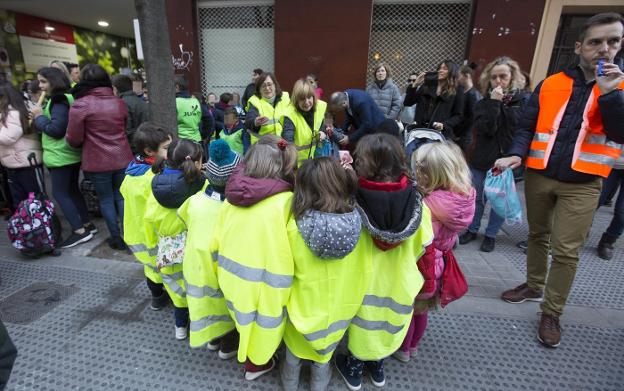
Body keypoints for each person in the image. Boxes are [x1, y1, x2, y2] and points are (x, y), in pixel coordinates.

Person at [495, 12, 624, 348]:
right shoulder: (551, 83)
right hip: (540, 175)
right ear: (580, 46)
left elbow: (620, 132)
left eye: (613, 41)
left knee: (566, 251)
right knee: (538, 235)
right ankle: (534, 285)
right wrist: (515, 154)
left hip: (584, 182)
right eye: (596, 42)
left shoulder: (620, 86)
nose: (604, 49)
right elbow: (527, 127)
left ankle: (552, 311)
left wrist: (610, 94)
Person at [335, 133, 433, 390]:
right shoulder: (418, 205)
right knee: (384, 324)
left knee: (361, 323)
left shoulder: (352, 201)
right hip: (399, 284)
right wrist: (428, 287)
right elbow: (426, 248)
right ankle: (377, 366)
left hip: (361, 282)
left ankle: (354, 368)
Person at [209, 135, 297, 381]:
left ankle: (239, 348)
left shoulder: (230, 199)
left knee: (243, 318)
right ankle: (257, 364)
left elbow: (215, 240)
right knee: (266, 326)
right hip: (270, 281)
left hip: (232, 276)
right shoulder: (286, 202)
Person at [280, 157, 373, 391]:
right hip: (338, 310)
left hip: (301, 306)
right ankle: (319, 383)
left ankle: (289, 380)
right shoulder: (359, 229)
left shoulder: (293, 228)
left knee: (293, 348)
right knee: (324, 354)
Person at [394, 142, 475, 363]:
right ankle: (413, 346)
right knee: (422, 310)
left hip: (423, 266)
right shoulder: (463, 198)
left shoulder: (428, 206)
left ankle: (402, 348)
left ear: (431, 175)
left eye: (420, 171)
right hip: (442, 264)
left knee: (408, 310)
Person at [459, 56, 529, 253]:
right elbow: (487, 129)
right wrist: (495, 104)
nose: (498, 81)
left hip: (505, 162)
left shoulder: (523, 102)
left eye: (503, 77)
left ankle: (490, 235)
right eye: (494, 77)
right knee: (478, 199)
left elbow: (520, 131)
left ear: (512, 77)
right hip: (481, 159)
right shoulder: (483, 103)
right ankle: (472, 229)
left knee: (499, 202)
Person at [177, 139, 240, 351]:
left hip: (196, 268)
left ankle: (212, 339)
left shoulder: (195, 200)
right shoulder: (234, 210)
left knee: (208, 307)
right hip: (221, 270)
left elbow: (184, 219)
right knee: (225, 307)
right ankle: (227, 347)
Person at [66, 63, 133, 250]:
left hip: (97, 161)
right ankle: (129, 236)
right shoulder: (119, 102)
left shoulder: (80, 104)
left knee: (106, 199)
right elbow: (125, 128)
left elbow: (74, 139)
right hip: (122, 156)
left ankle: (116, 237)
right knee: (121, 197)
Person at [145, 138, 206, 340]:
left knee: (178, 292)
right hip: (194, 251)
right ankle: (204, 330)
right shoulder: (200, 185)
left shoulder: (155, 187)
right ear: (196, 162)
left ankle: (180, 327)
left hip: (167, 251)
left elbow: (149, 220)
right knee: (197, 290)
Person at [31, 67, 94, 248]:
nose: (40, 86)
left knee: (60, 193)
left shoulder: (59, 100)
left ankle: (79, 231)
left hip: (60, 156)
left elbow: (56, 130)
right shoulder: (67, 98)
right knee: (73, 190)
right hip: (69, 154)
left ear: (53, 81)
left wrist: (39, 118)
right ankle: (87, 224)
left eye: (43, 81)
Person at [120, 122, 172, 311]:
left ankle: (157, 299)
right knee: (165, 269)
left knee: (150, 269)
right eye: (166, 148)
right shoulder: (153, 177)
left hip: (136, 232)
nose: (171, 151)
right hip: (154, 234)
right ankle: (172, 298)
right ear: (150, 151)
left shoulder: (131, 171)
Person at [281, 78, 343, 165]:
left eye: (309, 97)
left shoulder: (321, 106)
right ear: (296, 99)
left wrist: (323, 132)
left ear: (313, 96)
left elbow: (326, 124)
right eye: (302, 99)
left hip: (315, 162)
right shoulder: (290, 115)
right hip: (296, 165)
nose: (307, 102)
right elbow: (288, 142)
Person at [0, 82, 43, 206]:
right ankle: (32, 224)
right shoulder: (11, 111)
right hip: (17, 161)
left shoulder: (13, 113)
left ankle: (44, 224)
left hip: (25, 163)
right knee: (25, 201)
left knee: (34, 200)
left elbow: (8, 137)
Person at [404, 60, 465, 139]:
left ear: (452, 72)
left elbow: (458, 115)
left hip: (438, 134)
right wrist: (415, 84)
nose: (440, 70)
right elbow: (408, 102)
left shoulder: (457, 90)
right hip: (419, 132)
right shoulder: (427, 86)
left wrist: (444, 124)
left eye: (445, 68)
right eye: (439, 68)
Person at [243, 72, 290, 146]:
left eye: (269, 84)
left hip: (283, 144)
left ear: (275, 85)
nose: (267, 88)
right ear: (259, 89)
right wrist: (256, 122)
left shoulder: (285, 97)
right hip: (263, 146)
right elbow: (249, 120)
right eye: (263, 86)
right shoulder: (254, 101)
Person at [596, 150, 624, 260]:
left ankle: (608, 241)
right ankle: (581, 230)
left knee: (622, 211)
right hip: (609, 161)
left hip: (611, 159)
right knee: (594, 200)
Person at [112, 74, 149, 152]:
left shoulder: (122, 103)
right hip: (144, 144)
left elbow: (127, 130)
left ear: (114, 89)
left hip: (133, 148)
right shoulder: (140, 101)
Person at [455, 64, 483, 152]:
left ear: (466, 76)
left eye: (459, 76)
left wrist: (458, 134)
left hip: (462, 137)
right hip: (457, 135)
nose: (457, 80)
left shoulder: (473, 95)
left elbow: (470, 118)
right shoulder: (463, 92)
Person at [174, 75, 202, 142]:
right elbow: (207, 119)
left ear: (177, 87)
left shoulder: (175, 102)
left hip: (182, 141)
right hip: (197, 140)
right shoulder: (195, 101)